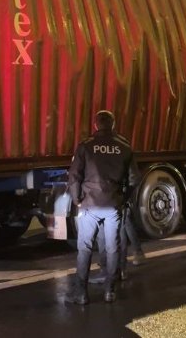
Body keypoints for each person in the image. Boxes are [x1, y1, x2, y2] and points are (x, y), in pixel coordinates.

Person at [65, 110, 139, 304]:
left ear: (95, 125)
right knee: (113, 247)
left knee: (85, 248)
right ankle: (110, 291)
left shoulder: (85, 146)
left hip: (89, 205)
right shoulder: (124, 147)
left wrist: (77, 200)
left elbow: (74, 176)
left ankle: (81, 294)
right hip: (113, 205)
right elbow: (133, 179)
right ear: (113, 125)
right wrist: (123, 199)